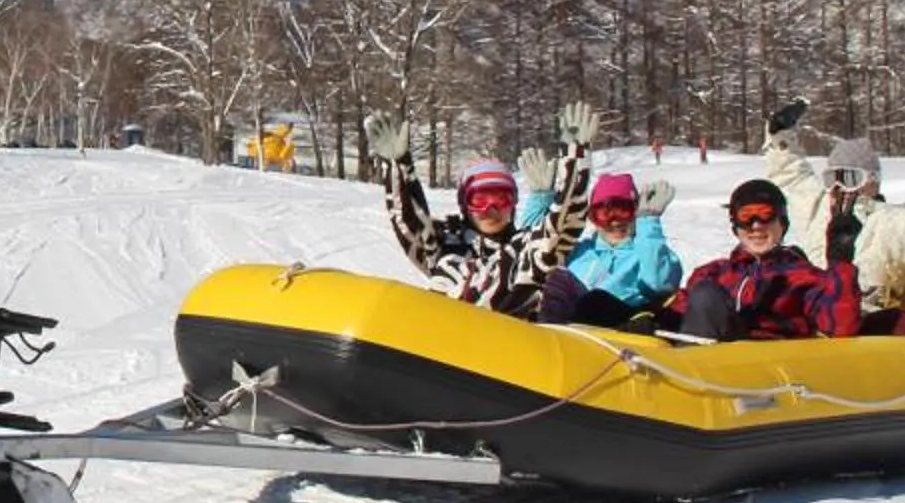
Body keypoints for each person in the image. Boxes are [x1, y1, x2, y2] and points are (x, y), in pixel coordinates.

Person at [361, 101, 599, 316]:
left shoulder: (525, 252)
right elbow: (410, 224)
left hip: (500, 353)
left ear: (514, 204)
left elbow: (564, 224)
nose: (490, 209)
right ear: (465, 205)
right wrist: (399, 166)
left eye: (501, 198)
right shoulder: (446, 245)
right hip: (441, 346)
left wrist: (576, 156)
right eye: (479, 199)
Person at [761, 97, 905, 331]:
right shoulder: (819, 208)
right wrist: (780, 137)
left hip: (865, 317)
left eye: (849, 179)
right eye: (832, 179)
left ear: (872, 182)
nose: (839, 188)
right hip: (819, 312)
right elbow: (791, 176)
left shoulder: (886, 221)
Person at [668, 177, 861, 342]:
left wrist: (841, 262)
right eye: (746, 217)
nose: (757, 226)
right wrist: (652, 318)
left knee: (706, 296)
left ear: (782, 223)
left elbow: (840, 328)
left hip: (768, 368)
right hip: (706, 361)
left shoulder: (803, 277)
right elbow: (679, 312)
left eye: (765, 215)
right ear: (735, 227)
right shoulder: (714, 273)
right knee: (705, 295)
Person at [534, 172, 684, 328]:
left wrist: (648, 222)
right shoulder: (579, 252)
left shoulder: (650, 250)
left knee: (596, 300)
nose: (614, 222)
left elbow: (657, 284)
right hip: (571, 332)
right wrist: (540, 200)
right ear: (592, 217)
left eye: (622, 211)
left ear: (636, 212)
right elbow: (536, 253)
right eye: (604, 214)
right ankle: (547, 333)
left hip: (623, 329)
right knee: (558, 278)